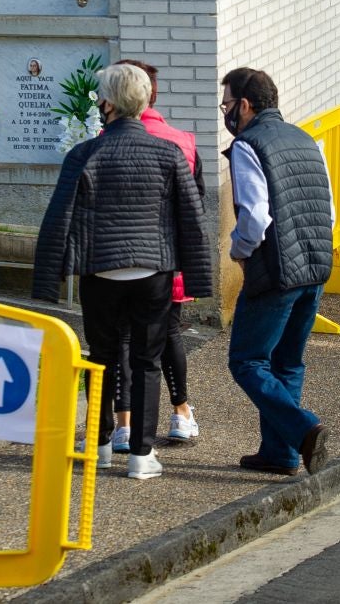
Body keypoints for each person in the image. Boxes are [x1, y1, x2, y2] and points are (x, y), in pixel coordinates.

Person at [33, 63, 211, 479]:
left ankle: (98, 447)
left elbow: (58, 217)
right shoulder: (168, 154)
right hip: (154, 270)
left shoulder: (84, 154)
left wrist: (47, 279)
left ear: (106, 103)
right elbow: (191, 216)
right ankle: (140, 457)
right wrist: (199, 277)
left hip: (99, 271)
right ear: (146, 101)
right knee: (147, 361)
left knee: (102, 358)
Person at [221, 67, 334, 476]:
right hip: (316, 266)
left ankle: (303, 431)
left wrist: (239, 251)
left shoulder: (247, 146)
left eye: (227, 105)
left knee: (248, 361)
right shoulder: (306, 139)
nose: (226, 113)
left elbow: (255, 215)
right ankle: (281, 453)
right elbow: (330, 207)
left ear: (245, 106)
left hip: (275, 269)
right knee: (288, 363)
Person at [105, 59, 204, 454]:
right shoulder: (183, 140)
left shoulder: (104, 141)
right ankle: (180, 414)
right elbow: (194, 206)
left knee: (124, 341)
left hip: (116, 261)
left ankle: (125, 425)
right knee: (169, 334)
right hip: (168, 260)